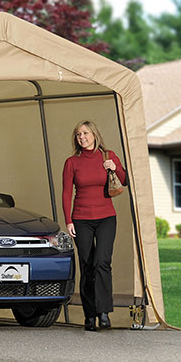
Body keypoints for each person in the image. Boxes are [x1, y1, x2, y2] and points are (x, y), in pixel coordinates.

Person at [62, 120, 127, 332]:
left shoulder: (108, 156)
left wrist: (115, 168)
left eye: (85, 133)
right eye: (78, 134)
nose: (82, 137)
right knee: (87, 264)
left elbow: (125, 180)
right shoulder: (72, 162)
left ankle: (104, 312)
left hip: (106, 217)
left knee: (102, 262)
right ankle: (90, 315)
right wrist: (68, 220)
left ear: (94, 135)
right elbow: (65, 193)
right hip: (81, 219)